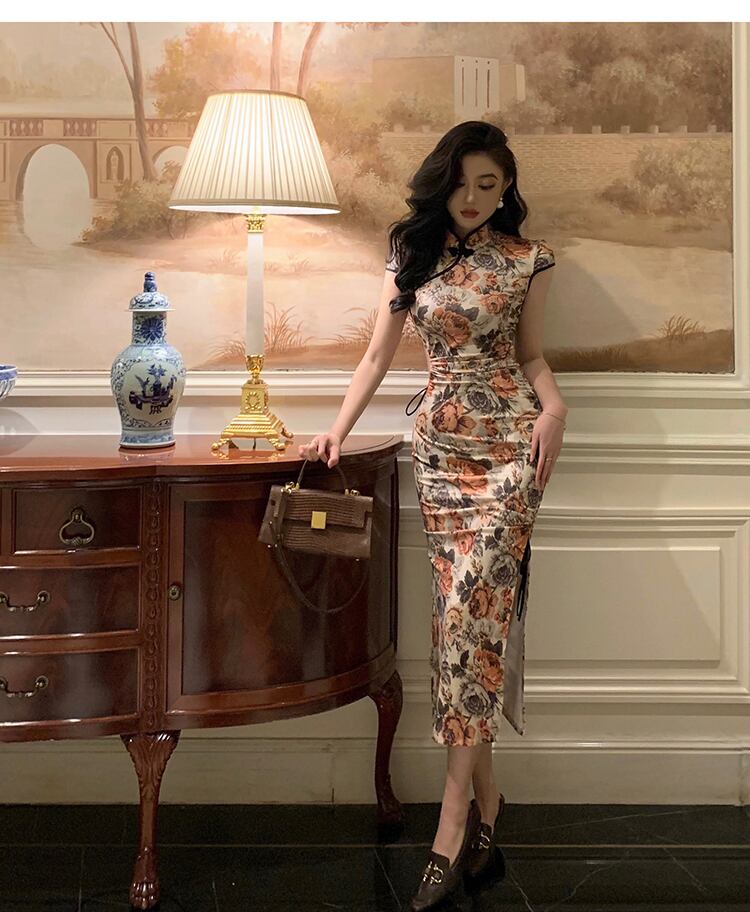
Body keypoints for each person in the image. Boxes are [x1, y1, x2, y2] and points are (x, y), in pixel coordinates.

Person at [299, 120, 567, 910]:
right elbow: (376, 356)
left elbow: (532, 356)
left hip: (512, 449)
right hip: (441, 454)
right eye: (462, 183)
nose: (474, 198)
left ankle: (451, 825)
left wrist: (555, 407)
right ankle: (489, 804)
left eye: (490, 185)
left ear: (506, 190)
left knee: (474, 615)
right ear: (440, 181)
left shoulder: (527, 259)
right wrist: (336, 431)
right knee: (458, 626)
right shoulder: (410, 256)